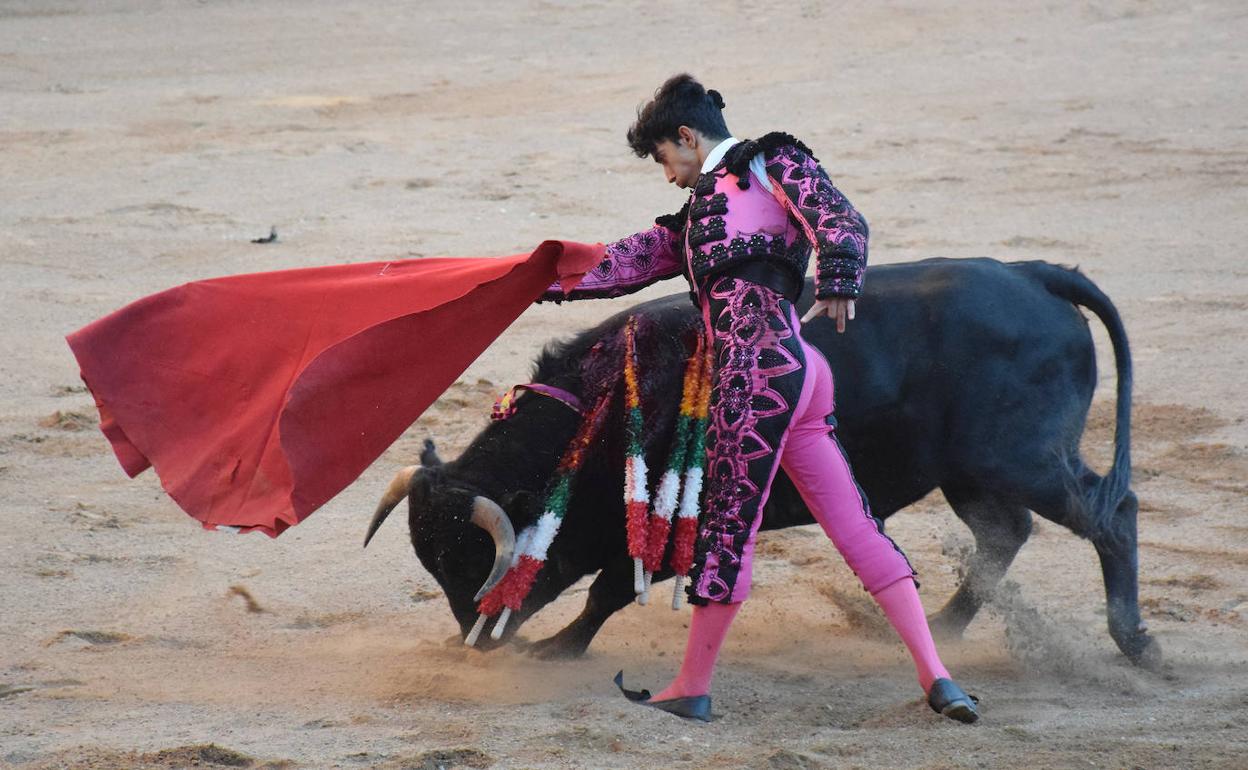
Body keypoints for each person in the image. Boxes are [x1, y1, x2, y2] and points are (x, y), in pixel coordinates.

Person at [542, 73, 978, 724]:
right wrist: (526, 282)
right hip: (799, 372)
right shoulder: (693, 219)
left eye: (665, 159)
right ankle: (938, 678)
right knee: (854, 526)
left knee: (727, 526)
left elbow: (839, 218)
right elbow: (619, 264)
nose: (667, 176)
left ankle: (692, 686)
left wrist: (838, 275)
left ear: (686, 138)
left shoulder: (771, 159)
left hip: (755, 374)